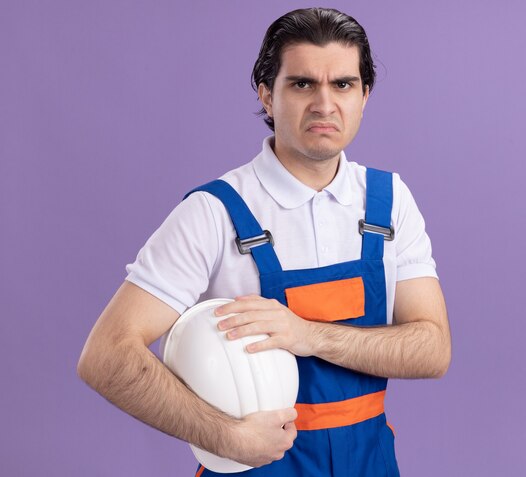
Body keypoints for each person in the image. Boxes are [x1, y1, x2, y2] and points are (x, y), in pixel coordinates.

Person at [78, 7, 451, 477]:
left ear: (364, 96)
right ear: (266, 96)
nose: (324, 103)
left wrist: (307, 334)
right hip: (259, 466)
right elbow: (107, 356)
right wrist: (224, 435)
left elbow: (433, 350)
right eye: (301, 84)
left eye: (342, 84)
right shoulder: (214, 213)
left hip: (370, 462)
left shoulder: (389, 201)